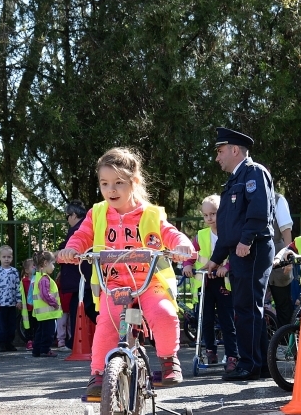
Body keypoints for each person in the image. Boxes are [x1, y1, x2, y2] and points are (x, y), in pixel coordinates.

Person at [59, 147, 194, 396]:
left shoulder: (151, 213)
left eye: (119, 183)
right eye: (105, 183)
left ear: (134, 183)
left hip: (147, 282)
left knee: (164, 314)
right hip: (114, 284)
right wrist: (71, 249)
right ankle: (98, 374)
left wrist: (181, 245)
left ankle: (167, 359)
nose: (111, 190)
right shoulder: (97, 213)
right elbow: (82, 236)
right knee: (107, 326)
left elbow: (169, 233)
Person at [205, 127, 275, 381]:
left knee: (247, 307)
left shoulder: (253, 172)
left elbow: (259, 210)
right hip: (239, 250)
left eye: (220, 151)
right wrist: (215, 259)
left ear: (235, 150)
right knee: (246, 307)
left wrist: (246, 239)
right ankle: (261, 363)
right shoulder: (234, 180)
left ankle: (250, 364)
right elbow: (228, 228)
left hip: (253, 248)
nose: (217, 157)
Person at [182, 194, 239, 372]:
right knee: (204, 319)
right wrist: (187, 265)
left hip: (224, 282)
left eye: (213, 214)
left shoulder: (230, 232)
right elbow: (191, 253)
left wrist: (227, 266)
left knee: (227, 320)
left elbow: (236, 254)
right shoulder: (201, 236)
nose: (209, 218)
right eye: (206, 215)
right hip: (205, 283)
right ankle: (210, 350)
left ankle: (232, 355)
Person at [57, 200, 97, 350]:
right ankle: (73, 341)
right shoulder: (83, 227)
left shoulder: (78, 229)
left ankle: (73, 342)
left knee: (85, 308)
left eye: (67, 216)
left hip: (82, 279)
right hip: (85, 278)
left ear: (73, 215)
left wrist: (59, 255)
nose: (67, 220)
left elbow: (71, 249)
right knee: (85, 307)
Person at [268, 187, 295, 328]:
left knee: (282, 302)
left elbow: (286, 229)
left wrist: (287, 255)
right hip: (258, 259)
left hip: (278, 258)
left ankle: (285, 343)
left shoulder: (278, 199)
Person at [0, 245, 21, 352]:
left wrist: (19, 300)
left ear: (12, 258)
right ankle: (2, 343)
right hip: (1, 304)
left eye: (9, 257)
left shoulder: (14, 271)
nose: (6, 259)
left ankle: (10, 343)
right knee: (2, 324)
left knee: (11, 324)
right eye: (4, 257)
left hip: (12, 303)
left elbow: (18, 287)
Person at [30, 251, 60, 357]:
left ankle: (37, 350)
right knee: (48, 332)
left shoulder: (38, 277)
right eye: (53, 264)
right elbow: (45, 294)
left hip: (41, 313)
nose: (54, 267)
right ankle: (45, 350)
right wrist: (54, 303)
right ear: (46, 263)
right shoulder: (44, 278)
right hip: (48, 312)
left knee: (40, 332)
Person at [19, 258, 36, 351]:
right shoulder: (24, 281)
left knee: (36, 325)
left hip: (36, 308)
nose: (35, 267)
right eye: (32, 265)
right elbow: (21, 293)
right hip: (28, 308)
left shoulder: (38, 279)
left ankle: (36, 341)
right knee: (28, 325)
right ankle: (29, 341)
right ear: (26, 270)